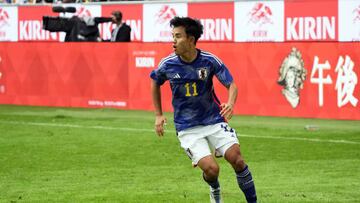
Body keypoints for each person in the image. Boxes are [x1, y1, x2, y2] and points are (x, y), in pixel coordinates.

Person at [150, 16, 257, 203]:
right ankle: (214, 188)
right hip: (187, 127)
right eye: (172, 36)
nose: (173, 41)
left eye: (178, 36)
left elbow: (231, 84)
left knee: (237, 159)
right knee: (212, 170)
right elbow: (154, 82)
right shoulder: (167, 64)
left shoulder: (209, 60)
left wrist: (230, 103)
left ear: (191, 40)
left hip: (214, 120)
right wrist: (158, 114)